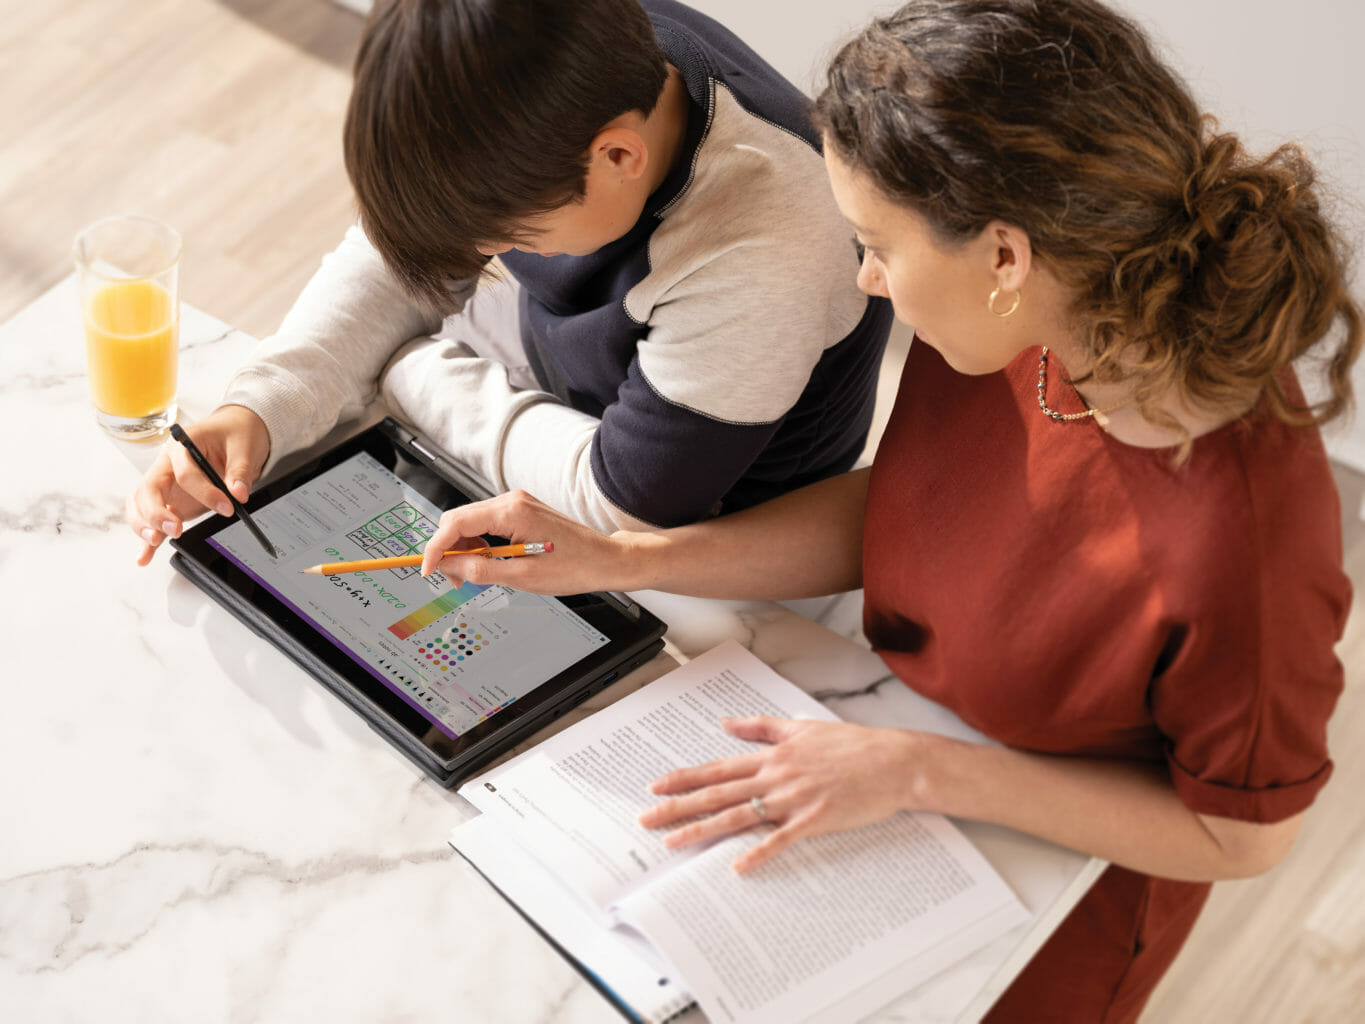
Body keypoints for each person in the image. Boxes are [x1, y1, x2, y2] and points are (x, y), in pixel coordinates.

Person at [411, 0, 1362, 1019]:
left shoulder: (1246, 540)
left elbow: (1245, 836)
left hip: (1056, 865)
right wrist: (620, 557)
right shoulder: (1034, 322)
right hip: (890, 738)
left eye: (875, 244)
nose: (863, 276)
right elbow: (912, 511)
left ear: (1004, 256)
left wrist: (919, 771)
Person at [124, 0, 893, 561]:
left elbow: (626, 504)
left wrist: (405, 370)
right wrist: (262, 403)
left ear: (617, 158)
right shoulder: (569, 62)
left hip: (714, 523)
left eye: (513, 239)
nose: (489, 255)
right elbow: (410, 255)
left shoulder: (765, 244)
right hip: (575, 388)